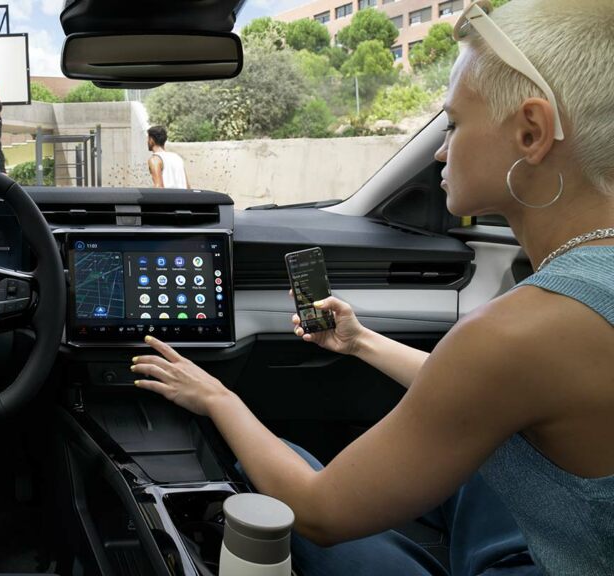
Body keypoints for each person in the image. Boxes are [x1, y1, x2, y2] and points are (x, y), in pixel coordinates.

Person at [129, 1, 614, 574]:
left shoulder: (520, 332)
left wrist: (217, 398)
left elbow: (318, 513)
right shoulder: (570, 304)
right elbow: (478, 390)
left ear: (530, 133)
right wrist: (361, 342)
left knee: (275, 470)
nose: (439, 148)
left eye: (454, 124)